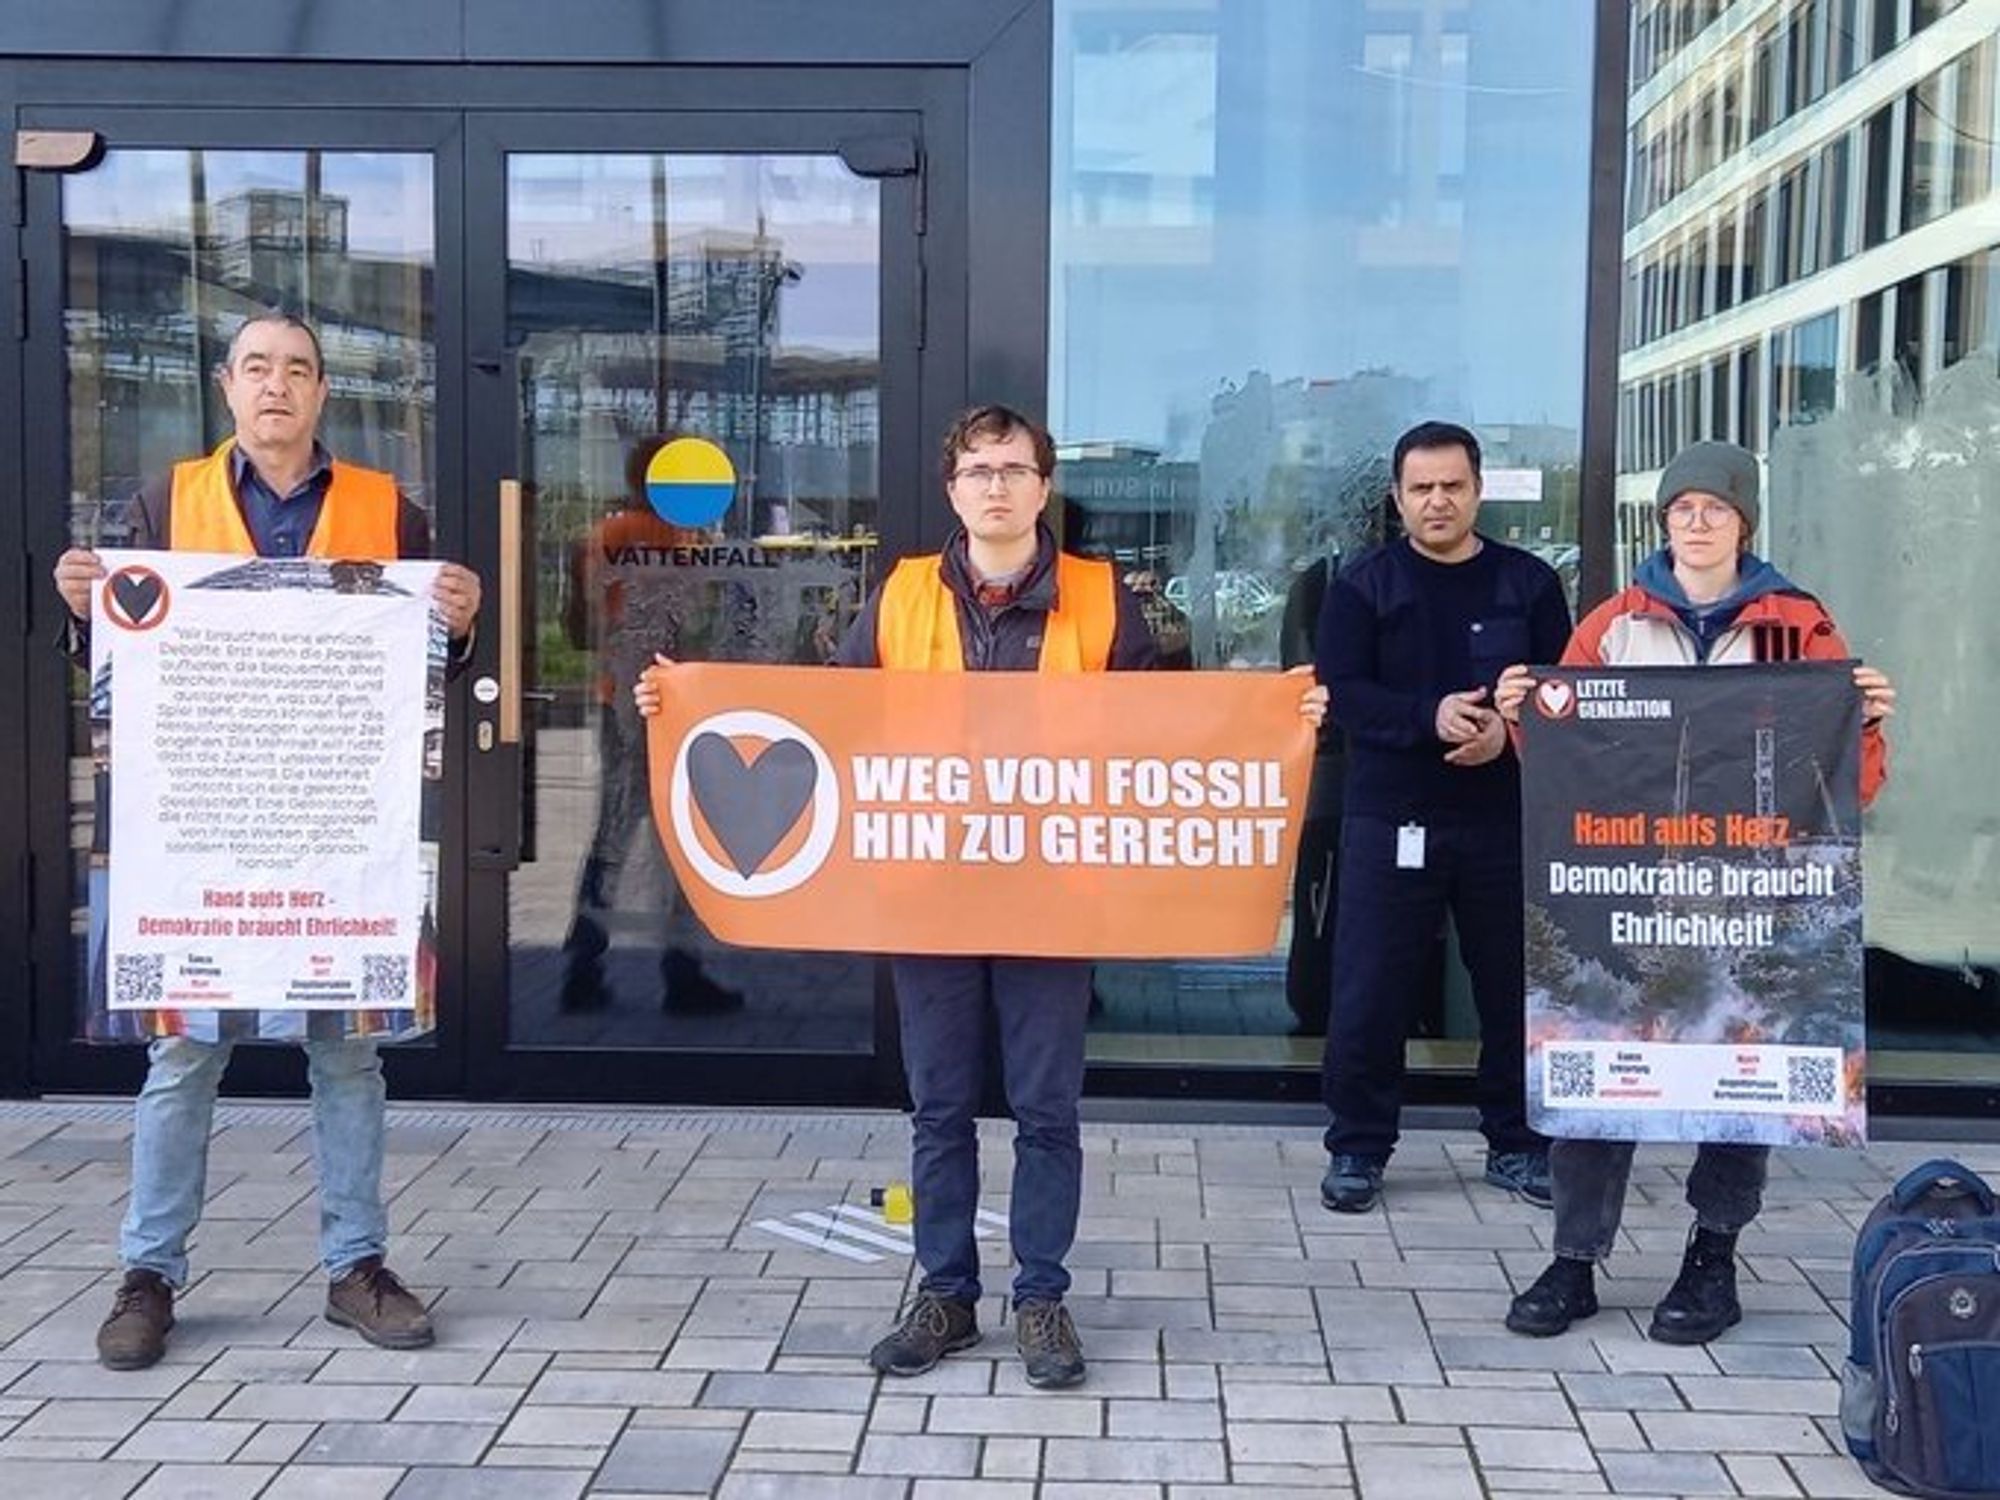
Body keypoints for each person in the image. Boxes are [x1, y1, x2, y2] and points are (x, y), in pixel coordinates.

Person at [636, 403, 1326, 1388]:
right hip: (930, 889)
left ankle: (1039, 1297)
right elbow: (829, 721)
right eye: (975, 469)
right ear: (950, 488)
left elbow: (1174, 730)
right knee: (940, 1107)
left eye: (1013, 467)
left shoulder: (1103, 599)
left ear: (1044, 487)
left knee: (1046, 1109)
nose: (994, 485)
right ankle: (945, 1295)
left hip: (1054, 894)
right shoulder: (900, 597)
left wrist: (1280, 714)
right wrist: (689, 701)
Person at [51, 311, 481, 1371]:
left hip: (336, 835)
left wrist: (462, 620)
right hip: (204, 834)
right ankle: (148, 1275)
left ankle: (357, 1268)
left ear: (323, 393)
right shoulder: (163, 501)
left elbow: (427, 658)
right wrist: (81, 612)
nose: (276, 386)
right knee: (183, 1056)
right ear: (225, 386)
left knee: (348, 1056)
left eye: (297, 370)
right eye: (257, 368)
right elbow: (120, 656)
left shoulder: (389, 510)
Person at [1496, 438, 1894, 1344]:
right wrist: (1531, 714)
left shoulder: (1800, 622)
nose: (1700, 522)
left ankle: (1712, 1258)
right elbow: (1563, 768)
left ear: (1744, 521)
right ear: (1665, 518)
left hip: (1753, 894)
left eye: (1718, 508)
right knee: (1599, 1063)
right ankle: (1574, 1259)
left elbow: (1847, 784)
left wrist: (1861, 722)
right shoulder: (1614, 623)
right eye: (1684, 508)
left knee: (1741, 1074)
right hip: (1627, 890)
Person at [1316, 420, 1572, 1214]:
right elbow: (1343, 694)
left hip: (1503, 819)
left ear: (1478, 490)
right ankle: (1358, 1148)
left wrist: (1508, 731)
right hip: (1392, 817)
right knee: (1371, 990)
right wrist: (1430, 718)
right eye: (1421, 488)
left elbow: (1560, 690)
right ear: (1397, 497)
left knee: (1513, 989)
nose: (1437, 501)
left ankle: (1519, 1143)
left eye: (1452, 486)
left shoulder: (1529, 583)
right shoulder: (1362, 585)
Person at [558, 436, 742, 1014]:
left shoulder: (602, 537)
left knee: (611, 837)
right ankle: (682, 972)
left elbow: (576, 625)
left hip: (619, 701)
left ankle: (580, 966)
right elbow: (701, 622)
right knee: (682, 840)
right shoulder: (684, 541)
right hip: (677, 705)